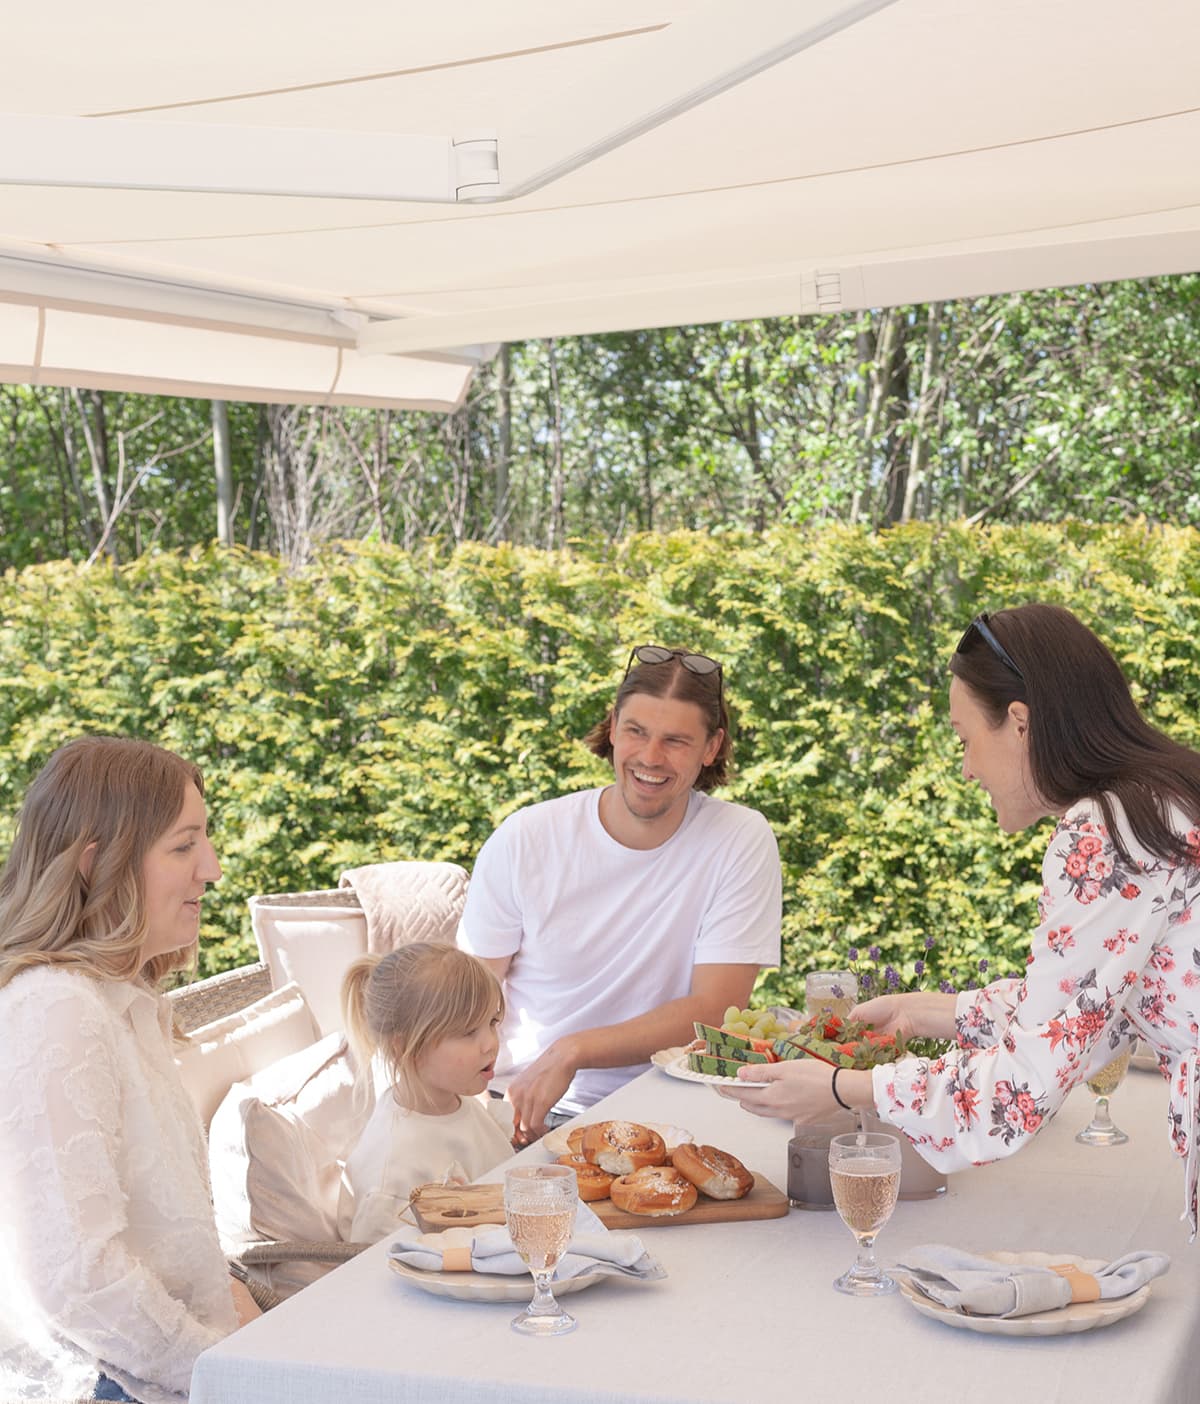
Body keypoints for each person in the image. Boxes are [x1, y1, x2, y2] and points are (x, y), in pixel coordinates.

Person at [725, 604, 1200, 1235]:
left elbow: (1021, 1089)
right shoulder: (1160, 802)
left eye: (964, 739)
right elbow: (1091, 1012)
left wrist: (845, 1088)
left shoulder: (1107, 833)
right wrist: (931, 1012)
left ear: (1021, 723)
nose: (968, 768)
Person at [0, 736, 258, 1404]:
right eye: (183, 846)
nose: (213, 868)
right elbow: (76, 1277)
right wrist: (226, 1369)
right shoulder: (55, 1008)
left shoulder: (122, 1003)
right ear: (95, 864)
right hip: (107, 1385)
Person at [458, 643, 783, 1141]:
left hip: (674, 1112)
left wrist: (573, 1049)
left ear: (711, 748)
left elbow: (714, 1008)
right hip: (526, 1109)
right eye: (636, 732)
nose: (650, 758)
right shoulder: (526, 838)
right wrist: (469, 1117)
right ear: (612, 728)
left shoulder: (738, 838)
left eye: (676, 740)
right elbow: (469, 998)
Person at [337, 942, 514, 1244]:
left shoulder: (455, 1103)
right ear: (406, 1048)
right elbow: (376, 1273)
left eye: (492, 1023)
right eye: (469, 1032)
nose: (491, 1043)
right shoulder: (392, 1178)